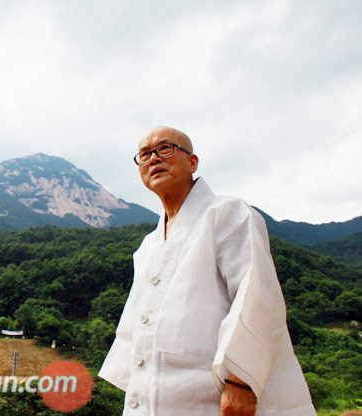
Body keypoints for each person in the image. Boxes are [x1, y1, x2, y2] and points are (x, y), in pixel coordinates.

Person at [99, 127, 315, 415]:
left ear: (192, 162)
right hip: (158, 395)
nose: (153, 159)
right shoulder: (148, 245)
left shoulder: (227, 213)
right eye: (144, 154)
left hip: (216, 394)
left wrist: (241, 382)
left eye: (165, 149)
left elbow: (257, 293)